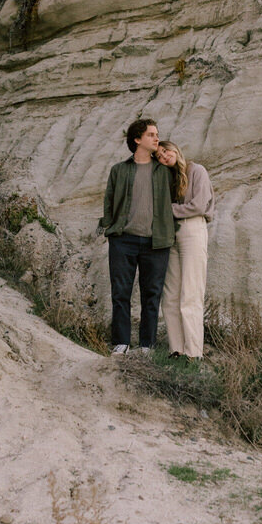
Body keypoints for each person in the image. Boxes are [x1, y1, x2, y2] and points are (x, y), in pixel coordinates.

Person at [98, 118, 176, 354]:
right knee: (120, 292)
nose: (156, 138)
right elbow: (109, 203)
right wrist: (111, 228)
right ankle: (121, 342)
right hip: (123, 240)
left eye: (157, 134)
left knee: (151, 296)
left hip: (157, 242)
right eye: (151, 134)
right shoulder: (119, 170)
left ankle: (146, 346)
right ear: (137, 139)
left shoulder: (165, 171)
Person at [156, 141, 215, 359]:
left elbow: (198, 205)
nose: (164, 157)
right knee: (170, 295)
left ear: (176, 149)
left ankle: (193, 354)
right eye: (160, 156)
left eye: (166, 151)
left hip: (192, 229)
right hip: (171, 234)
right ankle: (176, 350)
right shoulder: (167, 179)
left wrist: (166, 209)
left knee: (191, 294)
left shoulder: (196, 171)